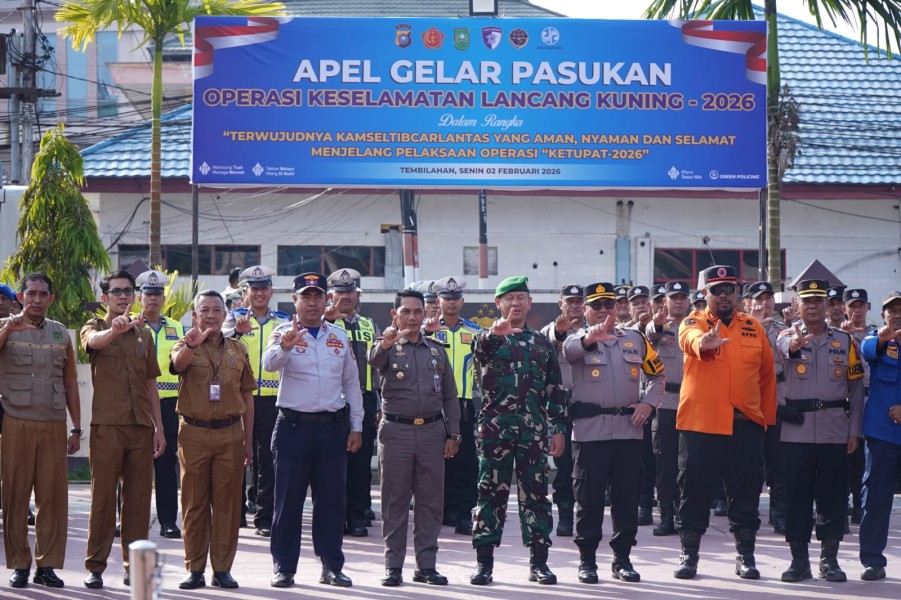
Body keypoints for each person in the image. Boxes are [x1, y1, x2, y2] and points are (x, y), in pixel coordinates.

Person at [673, 265, 777, 580]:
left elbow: (767, 377)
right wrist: (704, 342)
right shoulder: (693, 322)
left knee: (745, 494)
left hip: (745, 425)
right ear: (704, 293)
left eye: (729, 288)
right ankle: (689, 556)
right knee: (693, 492)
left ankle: (745, 556)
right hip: (701, 425)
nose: (723, 295)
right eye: (716, 289)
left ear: (738, 292)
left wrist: (765, 422)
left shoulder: (753, 327)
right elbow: (690, 340)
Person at [263, 273, 364, 588]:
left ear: (327, 301)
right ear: (294, 301)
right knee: (288, 502)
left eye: (317, 296)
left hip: (332, 428)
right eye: (305, 297)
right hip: (294, 427)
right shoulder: (283, 333)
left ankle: (332, 565)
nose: (312, 302)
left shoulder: (338, 336)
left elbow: (351, 383)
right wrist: (285, 348)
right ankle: (284, 567)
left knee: (332, 502)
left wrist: (356, 426)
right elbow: (267, 365)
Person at [563, 282, 664, 584]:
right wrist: (588, 338)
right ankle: (587, 561)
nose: (604, 311)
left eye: (609, 305)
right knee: (589, 501)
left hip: (628, 433)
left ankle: (622, 559)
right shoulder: (575, 339)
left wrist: (648, 404)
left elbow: (656, 374)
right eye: (597, 306)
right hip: (589, 434)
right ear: (585, 310)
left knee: (626, 499)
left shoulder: (634, 339)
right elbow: (568, 353)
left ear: (617, 307)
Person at [470, 276, 566, 586]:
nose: (515, 303)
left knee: (536, 496)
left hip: (533, 432)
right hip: (494, 432)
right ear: (498, 304)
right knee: (489, 495)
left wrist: (559, 429)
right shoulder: (488, 338)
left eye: (521, 297)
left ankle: (539, 563)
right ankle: (484, 564)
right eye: (509, 298)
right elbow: (480, 351)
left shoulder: (541, 342)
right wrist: (494, 333)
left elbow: (555, 388)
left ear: (530, 303)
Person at [368, 289, 460, 587]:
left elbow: (449, 394)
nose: (411, 316)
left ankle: (426, 565)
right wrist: (386, 341)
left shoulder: (436, 349)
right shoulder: (386, 347)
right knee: (394, 501)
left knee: (431, 502)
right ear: (394, 314)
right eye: (405, 311)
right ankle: (393, 566)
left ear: (425, 314)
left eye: (417, 311)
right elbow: (373, 359)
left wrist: (453, 433)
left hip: (433, 433)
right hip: (396, 433)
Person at [80, 270, 165, 589]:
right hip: (108, 426)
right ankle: (95, 566)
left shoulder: (144, 334)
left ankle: (134, 565)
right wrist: (114, 331)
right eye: (116, 292)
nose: (124, 296)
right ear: (105, 298)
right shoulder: (96, 327)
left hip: (141, 426)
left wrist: (159, 428)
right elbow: (95, 343)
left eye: (128, 291)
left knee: (139, 500)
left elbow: (150, 383)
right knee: (102, 499)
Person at [776, 279, 864, 583]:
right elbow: (782, 352)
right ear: (797, 306)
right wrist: (794, 344)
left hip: (835, 430)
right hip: (796, 431)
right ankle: (799, 560)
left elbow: (856, 389)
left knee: (833, 497)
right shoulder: (786, 336)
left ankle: (830, 559)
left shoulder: (845, 342)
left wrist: (855, 431)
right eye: (807, 301)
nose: (812, 306)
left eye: (818, 301)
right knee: (797, 497)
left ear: (828, 305)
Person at [170, 290, 256, 589]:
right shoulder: (185, 344)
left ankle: (222, 569)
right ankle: (194, 568)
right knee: (194, 503)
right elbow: (177, 366)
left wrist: (248, 440)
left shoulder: (237, 349)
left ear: (224, 315)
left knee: (227, 504)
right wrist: (190, 347)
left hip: (231, 433)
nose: (210, 315)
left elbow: (247, 394)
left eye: (216, 310)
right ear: (195, 316)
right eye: (204, 310)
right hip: (193, 432)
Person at [0, 273, 82, 589]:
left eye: (42, 293)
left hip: (52, 424)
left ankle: (47, 565)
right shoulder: (6, 328)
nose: (36, 299)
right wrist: (9, 326)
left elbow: (71, 382)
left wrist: (76, 427)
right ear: (21, 297)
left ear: (51, 298)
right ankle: (19, 564)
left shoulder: (61, 334)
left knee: (52, 498)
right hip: (15, 421)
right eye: (31, 293)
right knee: (15, 496)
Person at [222, 265, 289, 537]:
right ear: (245, 292)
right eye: (254, 289)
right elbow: (219, 343)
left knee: (269, 460)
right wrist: (237, 332)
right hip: (239, 399)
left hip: (273, 402)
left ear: (271, 291)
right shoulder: (233, 317)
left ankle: (264, 517)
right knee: (237, 457)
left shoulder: (283, 320)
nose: (259, 294)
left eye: (264, 289)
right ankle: (236, 514)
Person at [325, 268, 381, 538]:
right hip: (332, 401)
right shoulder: (323, 324)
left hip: (364, 399)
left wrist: (379, 401)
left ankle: (357, 516)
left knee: (360, 465)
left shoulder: (369, 325)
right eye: (340, 292)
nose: (345, 297)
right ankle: (334, 517)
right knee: (333, 465)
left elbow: (380, 366)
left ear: (357, 295)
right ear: (330, 295)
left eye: (349, 292)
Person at [427, 276, 482, 536]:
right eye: (446, 299)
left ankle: (463, 513)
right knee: (434, 460)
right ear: (438, 302)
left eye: (455, 299)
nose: (451, 303)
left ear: (462, 301)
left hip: (463, 404)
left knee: (465, 460)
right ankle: (440, 511)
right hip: (432, 403)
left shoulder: (474, 332)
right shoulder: (427, 331)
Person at [136, 269, 184, 539]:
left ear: (163, 298)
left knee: (166, 464)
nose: (153, 299)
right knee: (131, 465)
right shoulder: (130, 325)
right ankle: (129, 519)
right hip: (136, 404)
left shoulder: (176, 328)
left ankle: (167, 520)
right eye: (148, 294)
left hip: (169, 405)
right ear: (139, 298)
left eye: (157, 294)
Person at [858, 290, 901, 581]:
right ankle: (873, 560)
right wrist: (885, 338)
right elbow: (867, 349)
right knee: (876, 498)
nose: (897, 314)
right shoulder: (878, 341)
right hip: (882, 433)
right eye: (891, 310)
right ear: (883, 315)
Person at [644, 281, 691, 536]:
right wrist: (657, 323)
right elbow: (649, 333)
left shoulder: (696, 325)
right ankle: (666, 516)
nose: (679, 302)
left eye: (683, 297)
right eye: (674, 298)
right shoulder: (660, 327)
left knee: (689, 463)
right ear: (665, 302)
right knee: (666, 463)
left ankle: (685, 515)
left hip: (692, 403)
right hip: (665, 404)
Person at [539, 284, 584, 538]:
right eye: (570, 301)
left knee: (586, 468)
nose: (575, 306)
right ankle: (565, 516)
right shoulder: (550, 331)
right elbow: (550, 340)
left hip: (588, 410)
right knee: (564, 466)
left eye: (579, 301)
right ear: (560, 305)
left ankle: (584, 516)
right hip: (561, 410)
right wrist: (560, 331)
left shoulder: (591, 332)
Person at [748, 281, 789, 535]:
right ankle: (749, 512)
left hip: (777, 398)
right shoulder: (742, 327)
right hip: (750, 399)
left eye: (768, 298)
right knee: (750, 462)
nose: (764, 303)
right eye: (758, 299)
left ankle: (779, 512)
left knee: (779, 460)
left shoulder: (784, 330)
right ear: (748, 303)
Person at [842, 288, 877, 526]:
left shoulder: (878, 335)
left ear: (868, 307)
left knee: (870, 459)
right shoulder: (839, 335)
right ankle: (847, 505)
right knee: (849, 459)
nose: (857, 311)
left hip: (873, 399)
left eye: (860, 305)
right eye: (852, 306)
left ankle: (862, 506)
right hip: (848, 401)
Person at [627, 285, 656, 525]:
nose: (641, 306)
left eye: (644, 302)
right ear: (627, 308)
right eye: (635, 303)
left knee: (652, 459)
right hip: (632, 404)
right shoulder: (621, 333)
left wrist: (650, 326)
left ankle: (648, 502)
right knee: (636, 459)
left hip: (656, 402)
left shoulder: (659, 328)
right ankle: (638, 503)